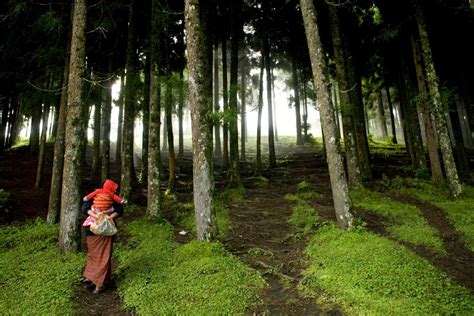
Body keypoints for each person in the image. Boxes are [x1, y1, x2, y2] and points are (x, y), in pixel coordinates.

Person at [81, 180, 125, 294]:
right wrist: (108, 217)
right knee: (103, 256)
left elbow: (85, 208)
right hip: (106, 229)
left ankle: (94, 279)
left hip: (92, 228)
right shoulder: (112, 197)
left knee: (94, 255)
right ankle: (98, 282)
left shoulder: (95, 195)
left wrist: (96, 215)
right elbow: (119, 209)